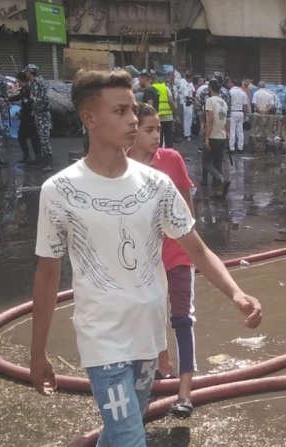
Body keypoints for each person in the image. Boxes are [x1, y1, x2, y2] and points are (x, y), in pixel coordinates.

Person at [29, 69, 262, 447]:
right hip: (102, 339)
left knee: (124, 430)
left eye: (133, 110)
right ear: (89, 118)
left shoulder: (156, 185)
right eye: (120, 111)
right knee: (130, 438)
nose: (133, 120)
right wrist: (37, 352)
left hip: (148, 336)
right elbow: (47, 275)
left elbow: (197, 249)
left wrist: (236, 293)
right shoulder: (59, 191)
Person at [126, 102, 202, 417]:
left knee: (182, 318)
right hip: (143, 259)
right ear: (133, 132)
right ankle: (161, 366)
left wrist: (192, 248)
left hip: (177, 252)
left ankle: (184, 394)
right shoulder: (121, 165)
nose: (157, 135)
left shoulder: (171, 159)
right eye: (149, 130)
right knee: (147, 318)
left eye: (158, 128)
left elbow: (187, 209)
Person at [203, 79, 231, 196]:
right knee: (218, 162)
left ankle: (220, 178)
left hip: (213, 135)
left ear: (210, 88)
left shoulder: (210, 101)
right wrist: (228, 133)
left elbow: (210, 120)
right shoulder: (224, 102)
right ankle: (219, 188)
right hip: (222, 136)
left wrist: (206, 137)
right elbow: (227, 120)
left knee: (206, 162)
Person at [25, 64, 54, 172]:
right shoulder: (34, 82)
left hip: (43, 114)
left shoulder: (38, 82)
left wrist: (32, 99)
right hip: (38, 114)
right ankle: (43, 160)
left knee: (45, 139)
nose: (26, 74)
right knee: (41, 139)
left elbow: (42, 99)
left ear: (30, 72)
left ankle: (49, 162)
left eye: (27, 72)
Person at [9, 70, 41, 166]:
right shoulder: (24, 89)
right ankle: (32, 156)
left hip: (29, 118)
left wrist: (19, 114)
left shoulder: (27, 90)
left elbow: (27, 105)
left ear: (20, 80)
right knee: (30, 137)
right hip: (28, 118)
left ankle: (33, 157)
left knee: (29, 137)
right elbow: (19, 96)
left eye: (18, 80)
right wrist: (7, 99)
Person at [151, 74, 179, 148]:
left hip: (156, 117)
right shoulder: (165, 87)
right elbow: (171, 102)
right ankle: (169, 152)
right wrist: (176, 115)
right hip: (168, 117)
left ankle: (159, 151)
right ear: (157, 80)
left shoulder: (150, 88)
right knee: (168, 137)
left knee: (158, 137)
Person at [228, 78, 250, 153]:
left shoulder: (230, 92)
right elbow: (245, 105)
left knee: (232, 131)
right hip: (240, 112)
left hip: (232, 112)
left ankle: (232, 148)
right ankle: (240, 148)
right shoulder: (243, 92)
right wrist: (246, 114)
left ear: (233, 83)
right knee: (240, 131)